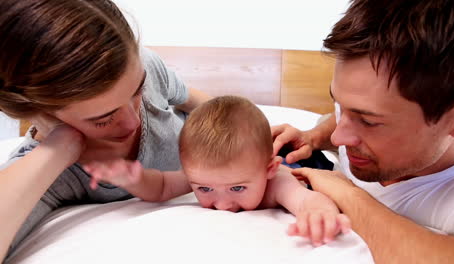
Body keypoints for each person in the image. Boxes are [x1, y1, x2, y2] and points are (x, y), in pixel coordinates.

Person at [0, 0, 211, 261]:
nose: (133, 122)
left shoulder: (145, 64)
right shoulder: (57, 176)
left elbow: (198, 103)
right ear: (40, 112)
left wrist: (254, 128)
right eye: (102, 119)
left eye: (137, 91)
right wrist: (60, 148)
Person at [272, 0, 454, 263]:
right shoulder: (364, 106)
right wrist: (313, 137)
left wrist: (349, 196)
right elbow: (338, 119)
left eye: (368, 122)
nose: (338, 138)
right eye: (341, 105)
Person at [84, 95, 351, 246]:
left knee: (315, 165)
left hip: (299, 164)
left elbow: (307, 200)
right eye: (204, 189)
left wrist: (318, 214)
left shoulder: (277, 180)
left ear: (268, 169)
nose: (221, 204)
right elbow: (162, 186)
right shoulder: (209, 173)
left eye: (237, 188)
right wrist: (135, 179)